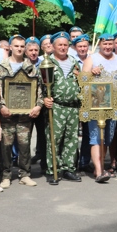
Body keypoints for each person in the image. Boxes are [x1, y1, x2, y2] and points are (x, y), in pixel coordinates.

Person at [0, 35, 42, 188]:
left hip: (25, 116)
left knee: (24, 145)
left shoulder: (31, 67)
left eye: (22, 46)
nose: (20, 49)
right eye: (16, 46)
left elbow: (39, 89)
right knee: (6, 146)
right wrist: (1, 106)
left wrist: (38, 106)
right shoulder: (2, 67)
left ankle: (25, 174)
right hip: (7, 115)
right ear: (10, 47)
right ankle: (6, 175)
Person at [43, 32, 83, 184]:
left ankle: (69, 169)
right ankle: (53, 169)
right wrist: (44, 99)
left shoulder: (74, 62)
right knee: (54, 139)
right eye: (60, 45)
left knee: (71, 140)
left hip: (73, 107)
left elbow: (80, 82)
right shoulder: (48, 63)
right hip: (56, 107)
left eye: (65, 45)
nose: (63, 47)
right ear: (53, 46)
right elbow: (39, 87)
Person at [83, 33, 117, 177]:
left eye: (110, 44)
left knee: (107, 137)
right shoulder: (92, 59)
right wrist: (91, 73)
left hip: (113, 104)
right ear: (100, 45)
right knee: (96, 137)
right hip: (96, 103)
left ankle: (100, 167)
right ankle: (99, 171)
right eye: (105, 44)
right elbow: (83, 79)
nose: (107, 46)